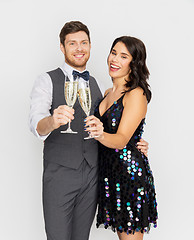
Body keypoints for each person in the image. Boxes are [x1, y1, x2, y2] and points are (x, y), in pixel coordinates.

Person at [29, 21, 149, 240]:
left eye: (83, 42)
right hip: (61, 175)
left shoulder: (96, 84)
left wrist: (135, 143)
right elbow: (36, 125)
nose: (79, 48)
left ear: (91, 46)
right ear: (62, 47)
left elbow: (120, 129)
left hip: (98, 175)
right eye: (72, 43)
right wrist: (52, 121)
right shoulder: (47, 80)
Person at [85, 36, 158, 240]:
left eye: (123, 56)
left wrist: (99, 133)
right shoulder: (108, 92)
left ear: (134, 63)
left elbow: (121, 140)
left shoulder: (136, 94)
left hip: (129, 177)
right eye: (113, 52)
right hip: (109, 174)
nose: (114, 59)